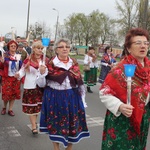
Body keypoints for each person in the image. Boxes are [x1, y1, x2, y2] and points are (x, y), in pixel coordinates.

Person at [99, 28, 150, 150]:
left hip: (142, 117)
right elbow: (104, 92)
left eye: (146, 43)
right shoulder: (119, 69)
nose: (143, 46)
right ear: (128, 48)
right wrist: (120, 106)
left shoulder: (148, 69)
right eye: (138, 43)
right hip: (122, 120)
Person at [37, 38, 90, 150]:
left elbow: (80, 84)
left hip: (72, 97)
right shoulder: (49, 63)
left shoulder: (74, 63)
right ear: (56, 49)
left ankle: (69, 148)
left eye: (67, 46)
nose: (65, 48)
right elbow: (41, 84)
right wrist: (41, 74)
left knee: (72, 124)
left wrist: (83, 100)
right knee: (55, 124)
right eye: (61, 46)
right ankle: (56, 148)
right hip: (54, 97)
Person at [15, 41, 47, 134]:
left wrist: (43, 72)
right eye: (38, 48)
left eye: (41, 48)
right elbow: (22, 71)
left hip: (40, 87)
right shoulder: (28, 60)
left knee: (37, 108)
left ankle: (34, 122)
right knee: (31, 107)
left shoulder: (44, 60)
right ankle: (33, 126)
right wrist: (18, 74)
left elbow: (47, 73)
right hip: (30, 87)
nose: (40, 50)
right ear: (33, 49)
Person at [0, 40, 22, 116]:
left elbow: (21, 67)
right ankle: (4, 107)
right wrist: (2, 62)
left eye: (14, 46)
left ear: (16, 48)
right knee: (6, 94)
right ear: (9, 47)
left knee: (13, 94)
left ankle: (10, 109)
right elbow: (1, 67)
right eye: (11, 46)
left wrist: (20, 73)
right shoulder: (5, 55)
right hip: (7, 78)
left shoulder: (18, 56)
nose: (13, 47)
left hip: (15, 78)